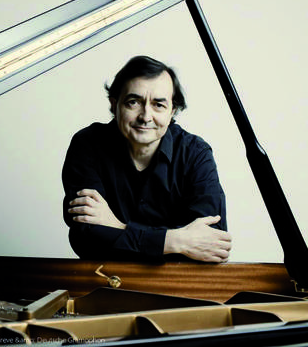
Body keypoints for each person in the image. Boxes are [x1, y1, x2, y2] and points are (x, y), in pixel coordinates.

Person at [62, 55, 231, 263]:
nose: (145, 116)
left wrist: (118, 227)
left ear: (172, 111)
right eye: (133, 102)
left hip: (180, 280)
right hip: (107, 278)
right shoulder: (88, 144)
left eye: (158, 105)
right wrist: (177, 241)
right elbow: (86, 239)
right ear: (114, 104)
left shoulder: (195, 153)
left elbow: (213, 243)